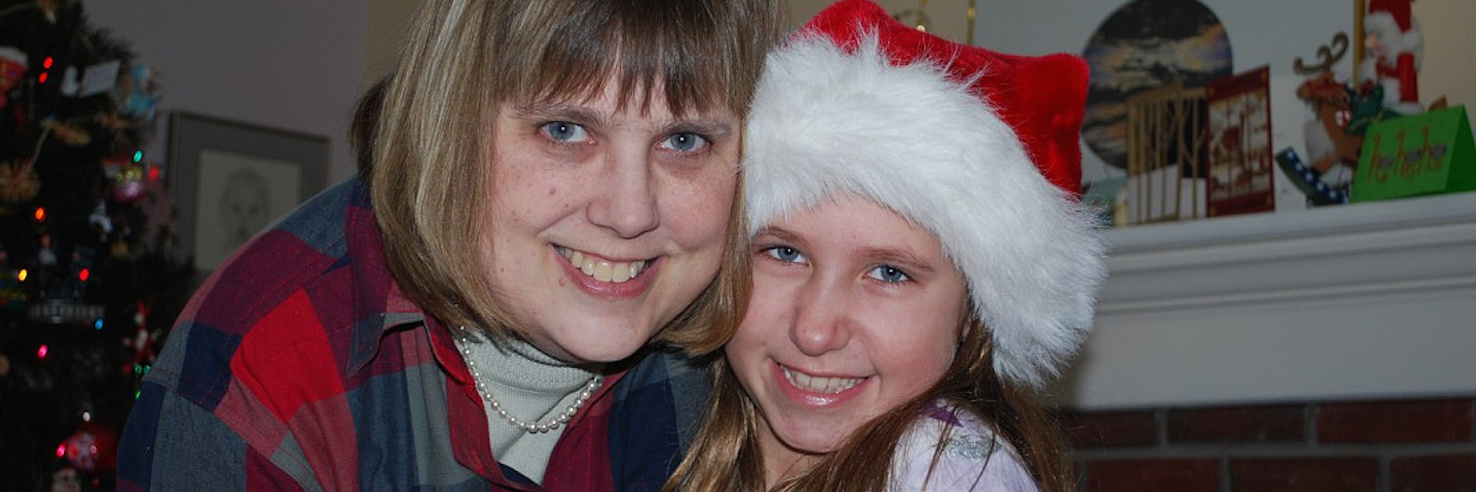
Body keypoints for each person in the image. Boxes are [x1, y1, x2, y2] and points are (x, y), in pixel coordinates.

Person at [117, 0, 783, 490]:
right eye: (564, 130)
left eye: (685, 141)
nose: (631, 213)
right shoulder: (255, 384)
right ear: (452, 123)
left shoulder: (758, 356)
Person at [662, 1, 1107, 491]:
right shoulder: (675, 424)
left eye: (890, 273)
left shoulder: (948, 472)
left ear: (970, 315)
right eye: (786, 253)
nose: (814, 330)